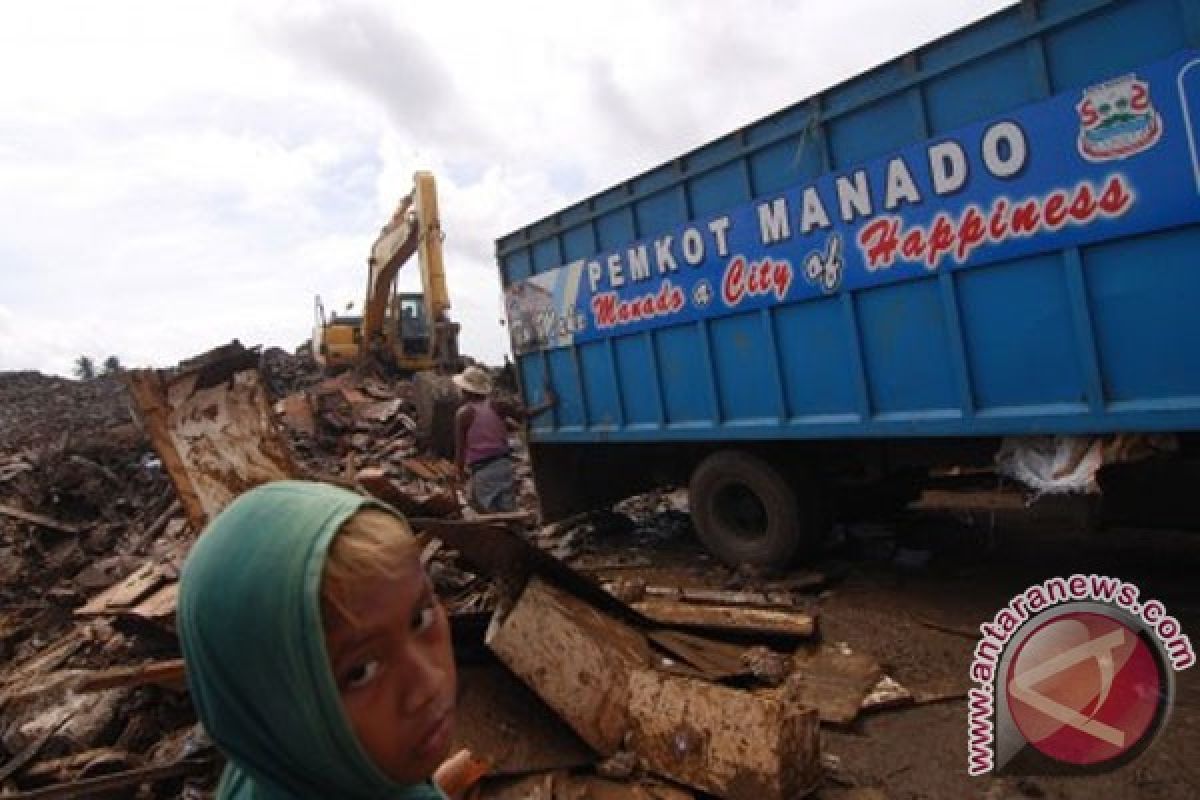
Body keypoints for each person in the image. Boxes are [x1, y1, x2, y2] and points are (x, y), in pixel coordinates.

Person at [178, 480, 461, 799]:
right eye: (360, 672)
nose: (428, 685)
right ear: (266, 714)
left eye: (419, 619)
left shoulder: (281, 771)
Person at [452, 365, 555, 513]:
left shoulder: (463, 414)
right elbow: (524, 414)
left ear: (465, 391)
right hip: (503, 466)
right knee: (509, 512)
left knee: (487, 516)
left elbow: (460, 449)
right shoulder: (497, 406)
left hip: (482, 471)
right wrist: (547, 403)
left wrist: (460, 475)